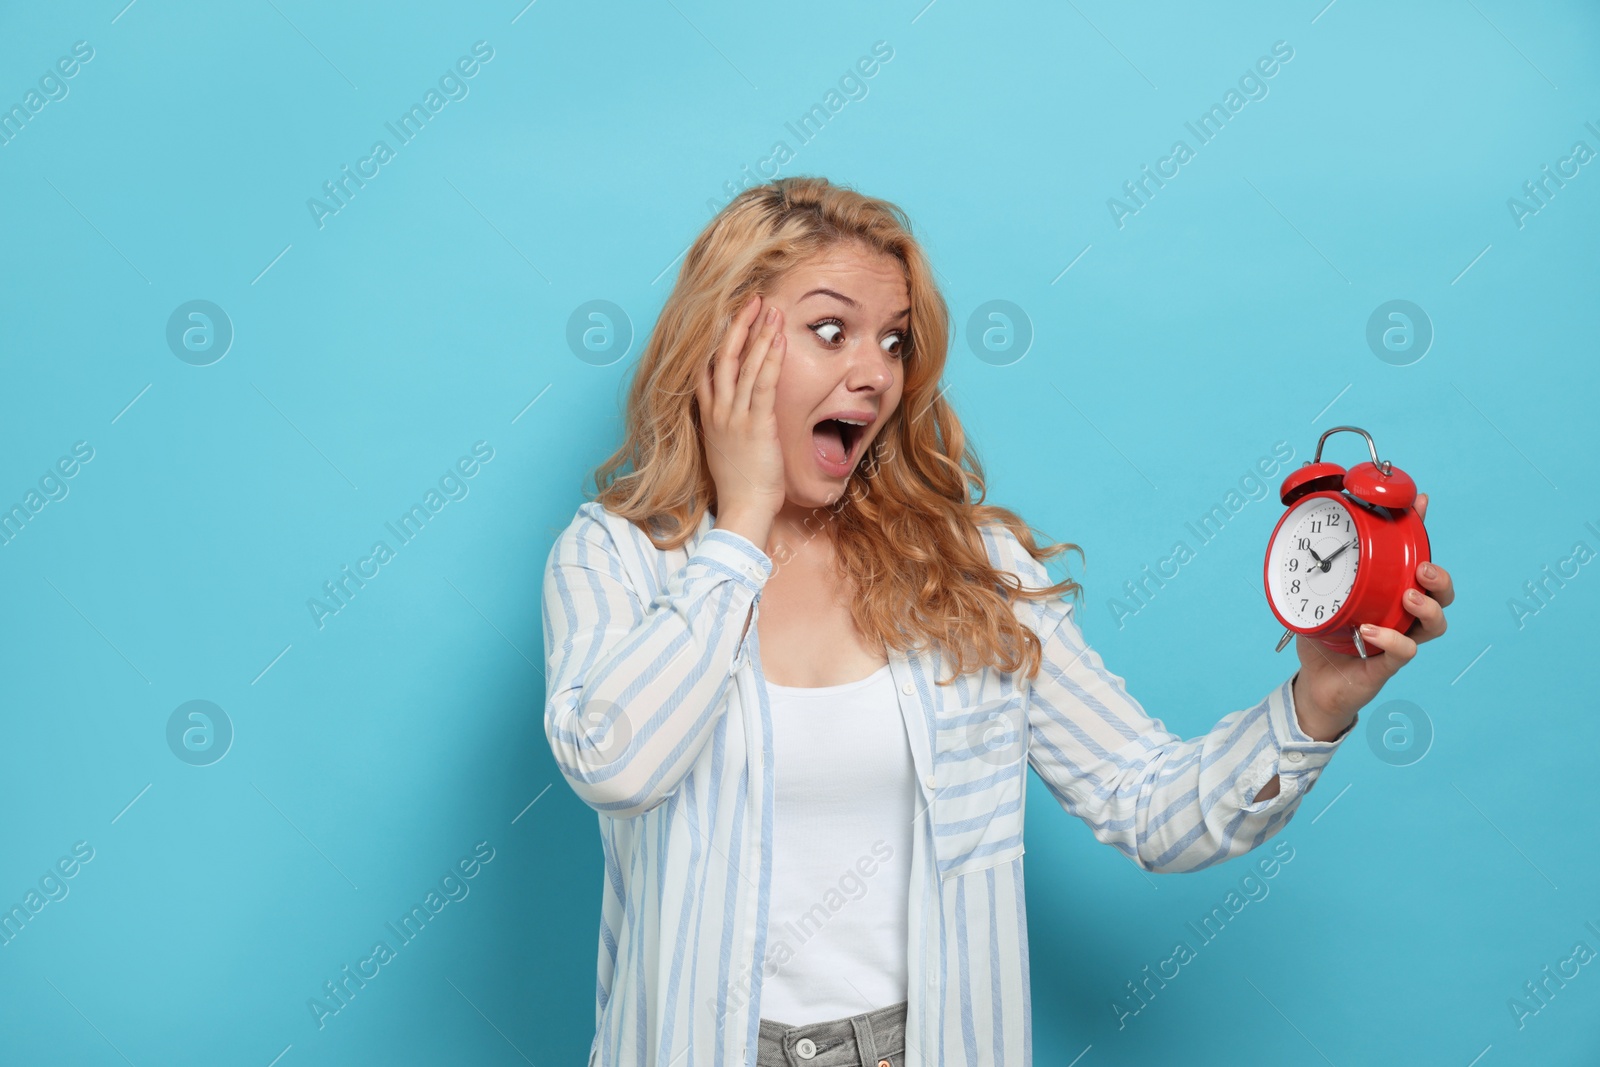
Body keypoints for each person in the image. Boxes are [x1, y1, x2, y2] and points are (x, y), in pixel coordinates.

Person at [540, 176, 1454, 1067]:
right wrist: (739, 529)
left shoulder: (967, 568)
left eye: (894, 342)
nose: (873, 374)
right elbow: (617, 764)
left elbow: (1148, 803)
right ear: (724, 345)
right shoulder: (615, 558)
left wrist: (1316, 704)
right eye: (832, 331)